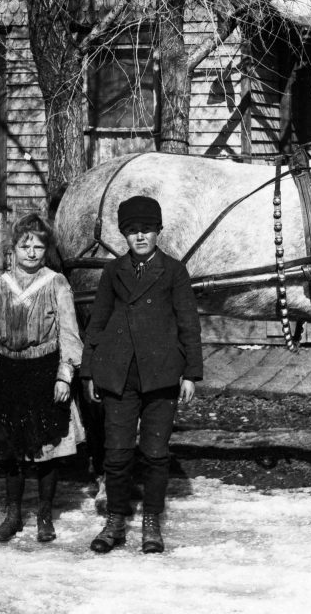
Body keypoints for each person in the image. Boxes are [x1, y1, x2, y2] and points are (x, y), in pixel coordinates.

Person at [80, 195, 203, 554]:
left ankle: (151, 521)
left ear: (158, 231)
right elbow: (97, 323)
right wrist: (90, 371)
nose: (140, 237)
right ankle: (116, 520)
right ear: (123, 235)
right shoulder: (112, 272)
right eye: (132, 231)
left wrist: (191, 374)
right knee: (116, 454)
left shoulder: (174, 271)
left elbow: (188, 325)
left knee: (154, 453)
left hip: (161, 376)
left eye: (147, 230)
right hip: (119, 375)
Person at [0, 214, 85, 543]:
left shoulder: (56, 282)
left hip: (45, 370)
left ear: (46, 249)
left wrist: (64, 376)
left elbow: (70, 333)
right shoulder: (0, 283)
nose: (31, 252)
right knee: (12, 450)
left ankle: (44, 514)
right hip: (10, 371)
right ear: (12, 248)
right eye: (24, 246)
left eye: (38, 246)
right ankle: (13, 514)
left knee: (47, 449)